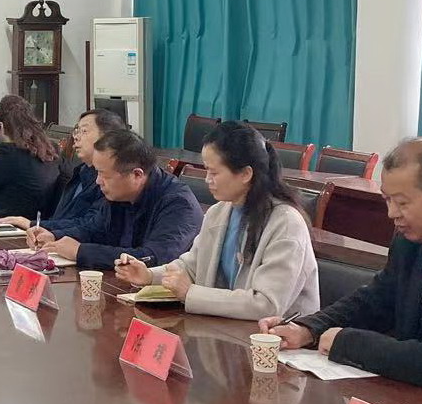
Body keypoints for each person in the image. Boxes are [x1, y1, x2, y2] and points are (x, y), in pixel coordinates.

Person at [260, 137, 422, 388]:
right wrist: (308, 329)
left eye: (402, 203)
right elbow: (376, 301)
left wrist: (346, 342)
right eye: (387, 200)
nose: (392, 214)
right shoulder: (409, 243)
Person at [115, 121, 319, 320]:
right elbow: (191, 266)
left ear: (245, 174)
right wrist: (149, 275)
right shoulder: (218, 212)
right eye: (206, 171)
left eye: (214, 172)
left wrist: (190, 293)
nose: (207, 179)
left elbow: (266, 304)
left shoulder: (286, 223)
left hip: (274, 337)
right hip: (225, 327)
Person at [29, 129, 203, 268]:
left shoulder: (178, 204)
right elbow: (93, 230)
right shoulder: (119, 194)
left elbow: (153, 257)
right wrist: (54, 236)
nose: (98, 181)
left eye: (104, 175)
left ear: (137, 175)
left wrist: (81, 252)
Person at [1, 108, 126, 231]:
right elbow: (60, 218)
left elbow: (90, 225)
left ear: (107, 138)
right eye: (76, 131)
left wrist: (34, 225)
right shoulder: (80, 172)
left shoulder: (110, 180)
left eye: (84, 131)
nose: (76, 137)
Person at [0, 95, 60, 219]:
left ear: (1, 126)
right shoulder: (51, 149)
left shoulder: (7, 152)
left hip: (5, 220)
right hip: (38, 221)